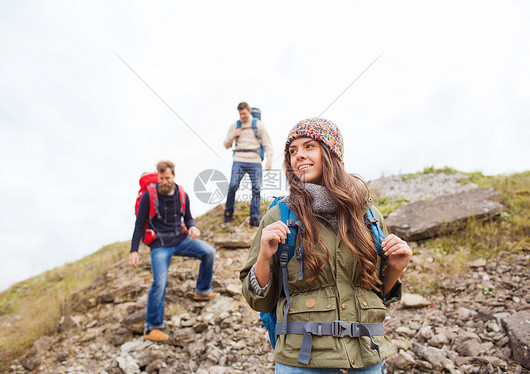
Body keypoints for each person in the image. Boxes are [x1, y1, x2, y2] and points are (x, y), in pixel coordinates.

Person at [240, 118, 412, 373]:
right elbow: (258, 301)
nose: (298, 156)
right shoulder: (280, 215)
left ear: (331, 153)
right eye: (292, 151)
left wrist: (395, 269)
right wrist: (264, 258)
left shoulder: (370, 215)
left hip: (367, 359)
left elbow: (375, 296)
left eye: (309, 146)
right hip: (302, 361)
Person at [129, 161, 218, 342]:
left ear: (173, 176)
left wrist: (192, 227)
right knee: (159, 282)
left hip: (180, 239)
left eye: (167, 178)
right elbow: (139, 224)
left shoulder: (182, 194)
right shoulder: (149, 196)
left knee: (209, 252)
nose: (164, 181)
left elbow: (189, 217)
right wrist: (134, 250)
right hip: (159, 244)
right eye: (161, 178)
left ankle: (202, 290)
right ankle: (152, 327)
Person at [223, 102, 274, 227]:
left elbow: (267, 143)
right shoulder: (235, 126)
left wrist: (269, 160)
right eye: (240, 114)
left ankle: (254, 218)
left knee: (256, 189)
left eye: (244, 113)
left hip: (255, 161)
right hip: (238, 159)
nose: (242, 116)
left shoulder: (258, 125)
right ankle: (228, 214)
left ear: (249, 111)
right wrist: (233, 135)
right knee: (233, 186)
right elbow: (226, 144)